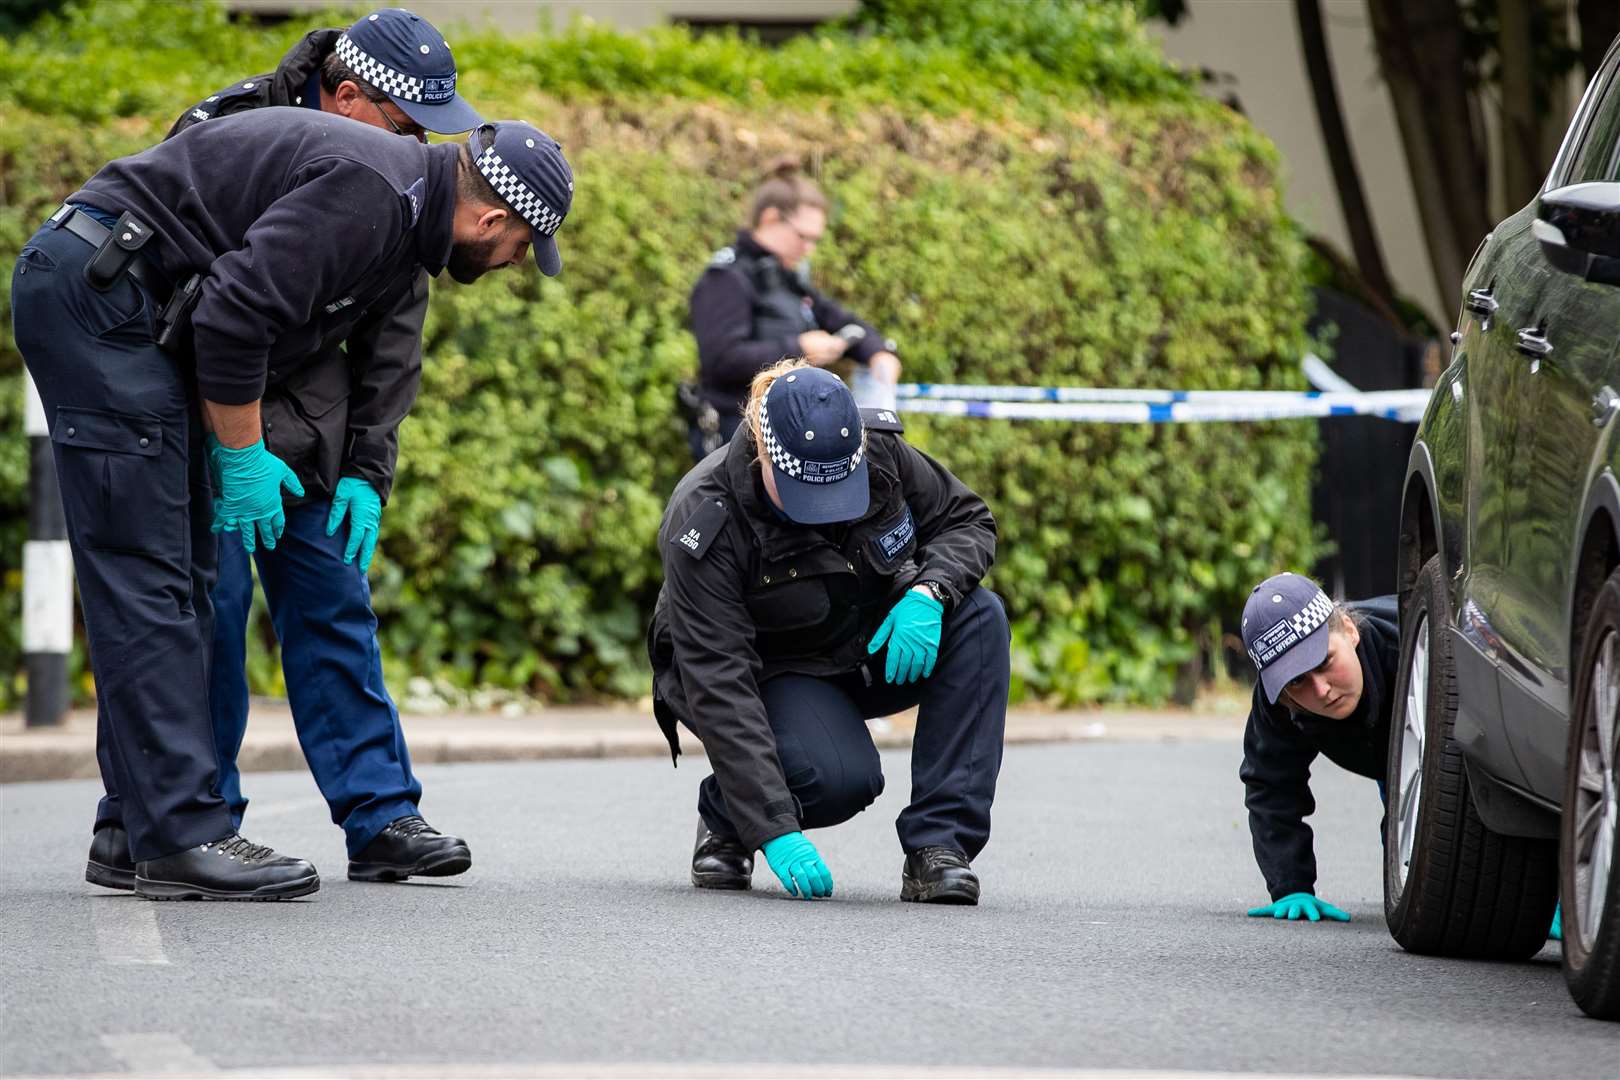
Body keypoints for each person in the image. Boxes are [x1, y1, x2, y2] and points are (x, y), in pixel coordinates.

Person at [11, 107, 573, 900]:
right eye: (522, 246)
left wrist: (359, 470)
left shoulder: (403, 207)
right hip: (104, 297)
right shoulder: (376, 193)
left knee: (187, 579)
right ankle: (181, 837)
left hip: (125, 299)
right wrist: (242, 459)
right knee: (153, 575)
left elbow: (339, 342)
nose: (517, 262)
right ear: (492, 217)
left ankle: (142, 831)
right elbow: (233, 318)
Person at [167, 8, 484, 885]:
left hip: (308, 430)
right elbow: (197, 307)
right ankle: (199, 818)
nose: (425, 147)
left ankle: (381, 816)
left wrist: (368, 473)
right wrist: (230, 446)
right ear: (347, 97)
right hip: (207, 419)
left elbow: (392, 339)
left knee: (334, 606)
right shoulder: (229, 128)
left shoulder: (406, 184)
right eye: (410, 126)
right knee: (209, 618)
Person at [647, 359, 1008, 904]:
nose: (821, 512)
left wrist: (930, 592)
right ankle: (729, 814)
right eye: (803, 493)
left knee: (980, 616)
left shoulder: (881, 452)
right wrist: (774, 829)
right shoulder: (705, 517)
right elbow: (720, 681)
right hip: (773, 672)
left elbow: (967, 520)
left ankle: (940, 848)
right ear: (765, 454)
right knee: (839, 781)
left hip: (866, 639)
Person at [684, 163, 902, 462]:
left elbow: (842, 319)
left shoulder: (785, 278)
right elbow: (721, 360)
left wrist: (877, 352)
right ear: (770, 218)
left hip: (791, 435)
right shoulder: (727, 278)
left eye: (815, 240)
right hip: (738, 441)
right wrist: (798, 350)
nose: (809, 249)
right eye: (803, 236)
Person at [1239, 573, 1396, 923]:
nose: (1322, 690)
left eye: (1324, 662)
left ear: (1350, 631)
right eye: (1297, 681)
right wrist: (1290, 885)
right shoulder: (1279, 702)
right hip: (1383, 752)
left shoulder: (1412, 653)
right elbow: (1270, 786)